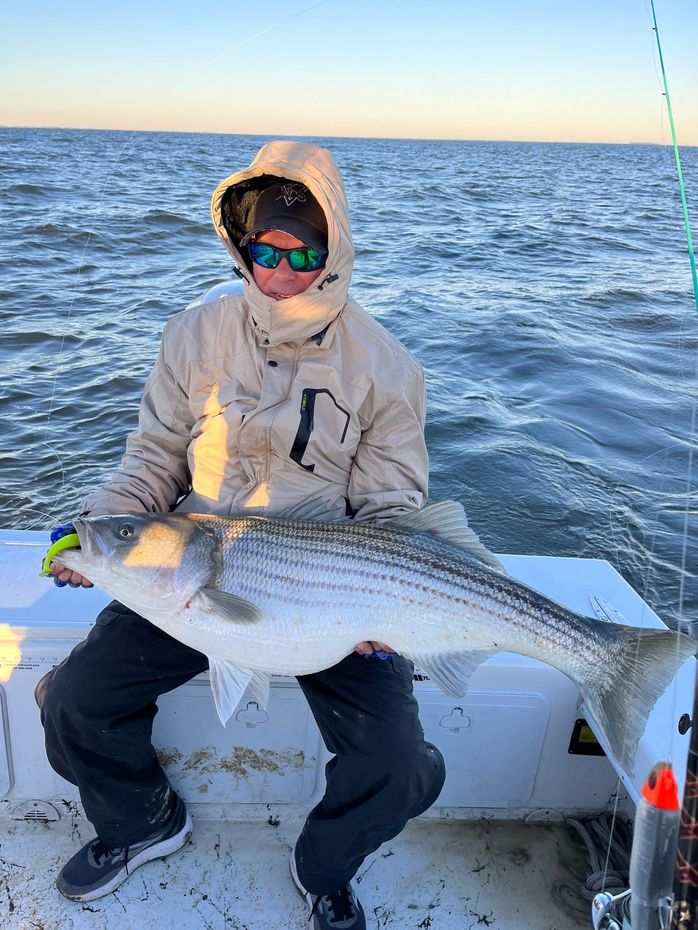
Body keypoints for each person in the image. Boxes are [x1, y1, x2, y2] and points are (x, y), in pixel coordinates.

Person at [36, 140, 446, 930]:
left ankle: (323, 866)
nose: (281, 268)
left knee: (398, 763)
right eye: (264, 248)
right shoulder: (194, 335)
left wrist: (383, 609)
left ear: (335, 252)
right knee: (75, 702)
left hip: (330, 585)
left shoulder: (388, 368)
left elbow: (393, 508)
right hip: (194, 568)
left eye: (304, 251)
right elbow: (152, 460)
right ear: (240, 246)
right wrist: (98, 528)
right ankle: (141, 821)